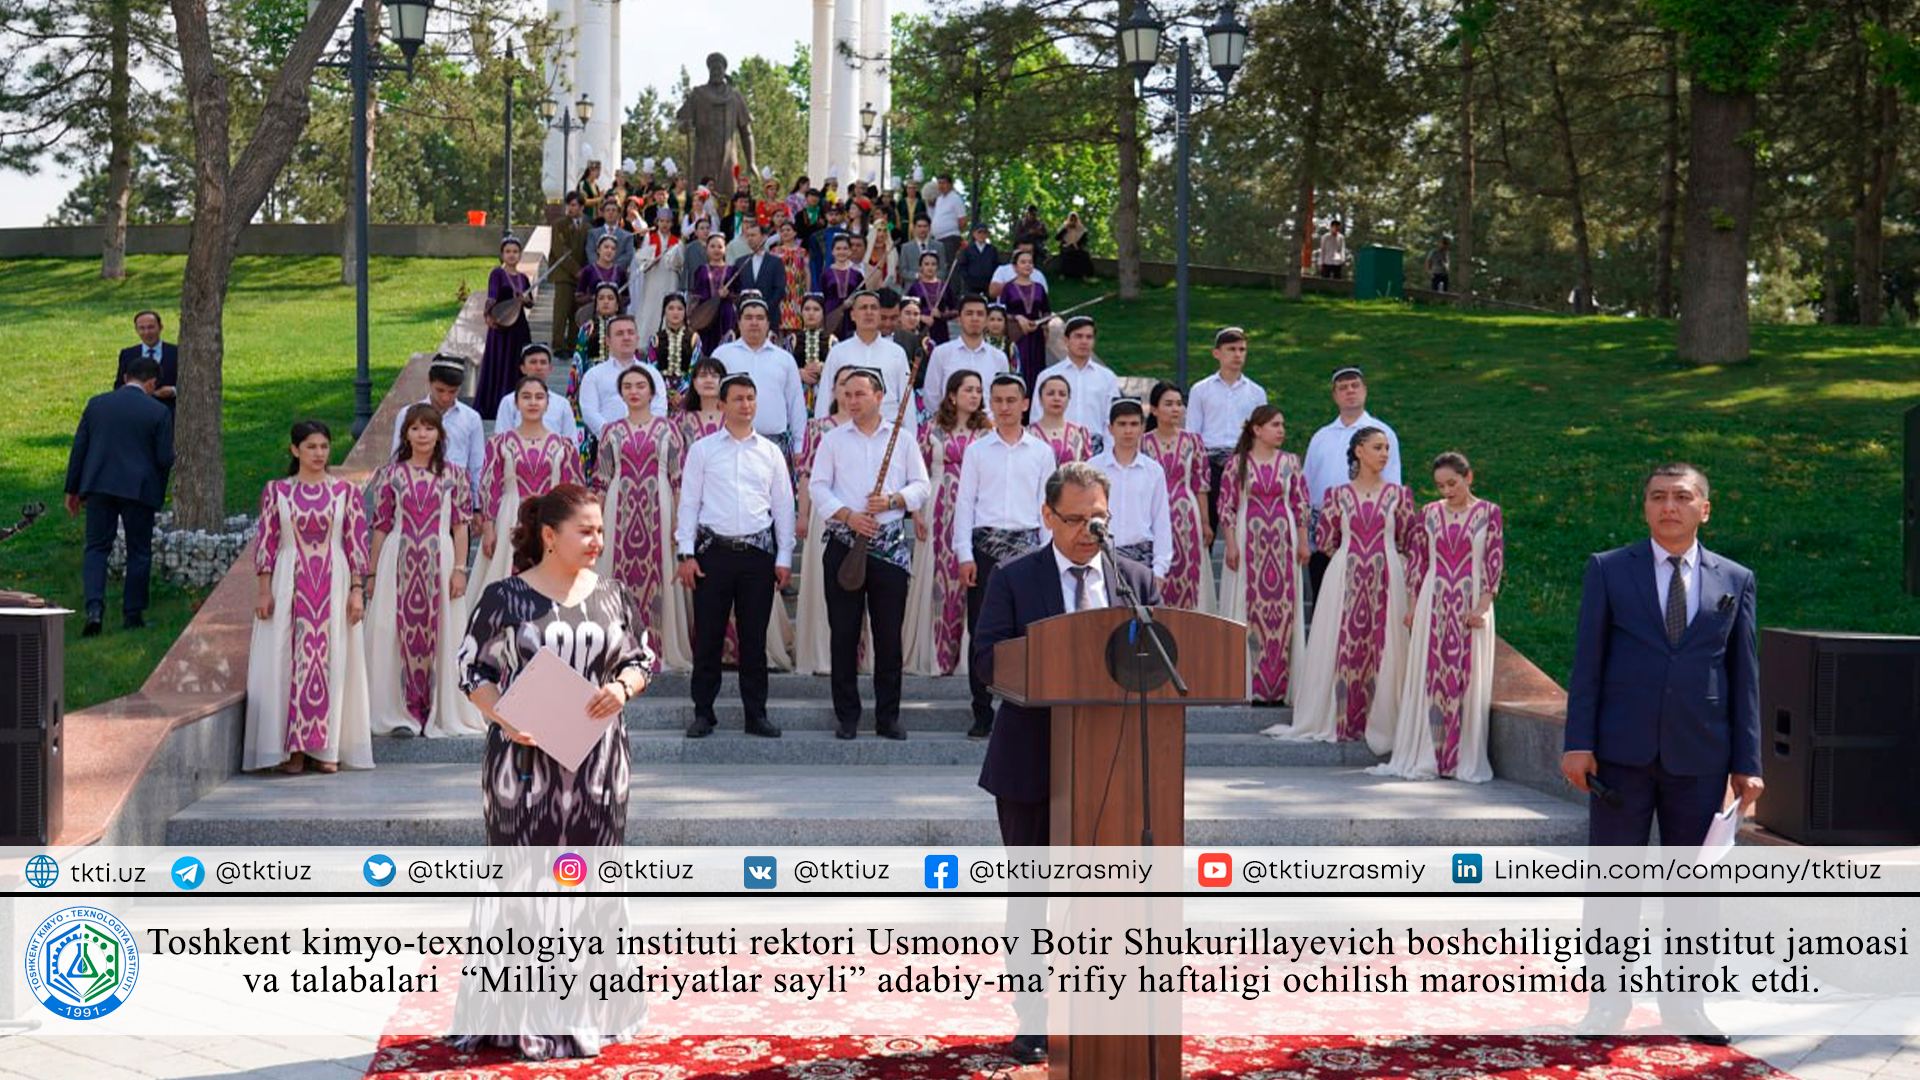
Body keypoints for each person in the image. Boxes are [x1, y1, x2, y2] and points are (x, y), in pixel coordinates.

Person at [453, 483, 654, 1061]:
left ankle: (593, 1009)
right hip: (523, 767)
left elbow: (641, 658)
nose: (597, 540)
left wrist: (621, 688)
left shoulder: (613, 594)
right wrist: (505, 717)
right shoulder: (504, 597)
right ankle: (527, 1015)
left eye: (599, 530)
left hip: (598, 766)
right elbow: (473, 670)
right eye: (585, 531)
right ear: (549, 536)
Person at [1561, 462, 1759, 1045]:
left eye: (1681, 497)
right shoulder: (1607, 570)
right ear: (1644, 507)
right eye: (1657, 497)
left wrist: (1748, 762)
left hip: (1701, 760)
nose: (1668, 506)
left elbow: (1743, 676)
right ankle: (1606, 1006)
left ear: (1705, 508)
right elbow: (1587, 661)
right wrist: (1578, 743)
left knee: (1695, 893)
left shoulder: (1735, 579)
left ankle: (1686, 1007)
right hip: (1619, 757)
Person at [971, 461, 1160, 1067]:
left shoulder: (1136, 580)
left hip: (1118, 765)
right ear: (1047, 516)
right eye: (1075, 519)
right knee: (1033, 899)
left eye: (1097, 519)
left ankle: (1108, 1010)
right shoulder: (1014, 577)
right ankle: (1034, 1018)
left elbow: (1164, 661)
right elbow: (986, 659)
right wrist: (1051, 664)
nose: (1087, 530)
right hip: (1031, 761)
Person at [243, 419, 373, 775]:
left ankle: (325, 746)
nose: (319, 453)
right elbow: (267, 541)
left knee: (331, 660)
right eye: (311, 446)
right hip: (288, 582)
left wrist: (357, 591)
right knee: (286, 660)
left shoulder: (346, 493)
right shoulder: (277, 492)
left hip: (334, 581)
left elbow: (356, 543)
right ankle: (292, 749)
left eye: (324, 447)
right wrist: (264, 590)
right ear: (295, 450)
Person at [810, 368, 931, 739]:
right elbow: (818, 486)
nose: (852, 400)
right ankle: (847, 717)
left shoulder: (903, 438)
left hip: (890, 547)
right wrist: (848, 515)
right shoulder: (833, 440)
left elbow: (922, 486)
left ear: (879, 397)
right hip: (845, 544)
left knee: (888, 636)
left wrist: (894, 500)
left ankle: (888, 717)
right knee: (844, 634)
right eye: (847, 394)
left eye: (860, 394)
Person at [1369, 452, 1504, 782]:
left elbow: (1493, 561)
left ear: (1468, 477)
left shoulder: (1489, 513)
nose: (1446, 491)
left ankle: (1461, 759)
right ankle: (1430, 754)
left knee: (1465, 678)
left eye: (1452, 484)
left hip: (1471, 603)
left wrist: (1483, 606)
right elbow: (1418, 562)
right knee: (1431, 673)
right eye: (1440, 486)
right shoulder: (1428, 514)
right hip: (1433, 600)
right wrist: (1413, 607)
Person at [675, 374, 795, 739]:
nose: (746, 405)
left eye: (751, 398)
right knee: (708, 637)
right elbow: (690, 502)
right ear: (722, 405)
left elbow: (784, 506)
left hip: (757, 555)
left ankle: (756, 714)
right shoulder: (704, 449)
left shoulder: (771, 451)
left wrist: (785, 556)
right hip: (713, 554)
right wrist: (685, 553)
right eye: (739, 399)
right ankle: (703, 713)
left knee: (753, 640)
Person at [1283, 426, 1413, 751]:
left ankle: (1382, 720)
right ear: (1359, 451)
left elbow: (1409, 540)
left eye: (1387, 448)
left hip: (1388, 576)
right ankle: (1342, 716)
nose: (1385, 453)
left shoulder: (1400, 495)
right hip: (1345, 575)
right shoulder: (1336, 495)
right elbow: (1326, 540)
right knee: (1342, 641)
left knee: (1386, 644)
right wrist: (1351, 559)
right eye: (1378, 447)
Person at [364, 404, 482, 738]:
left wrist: (460, 569)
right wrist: (371, 575)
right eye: (415, 428)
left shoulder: (454, 475)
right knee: (392, 630)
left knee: (442, 631)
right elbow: (381, 526)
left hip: (440, 558)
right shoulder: (391, 475)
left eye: (428, 428)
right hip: (397, 559)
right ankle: (398, 710)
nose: (422, 434)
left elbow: (460, 527)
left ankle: (435, 708)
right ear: (405, 434)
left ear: (439, 433)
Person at [953, 374, 1055, 739]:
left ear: (1025, 404)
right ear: (989, 404)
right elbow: (965, 503)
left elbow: (1047, 508)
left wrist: (1049, 554)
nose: (1005, 407)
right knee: (982, 631)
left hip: (1029, 549)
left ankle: (1027, 707)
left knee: (1030, 632)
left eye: (1012, 400)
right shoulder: (977, 450)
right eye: (997, 400)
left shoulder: (1042, 452)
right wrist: (964, 554)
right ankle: (981, 711)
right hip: (985, 549)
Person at [593, 366, 692, 673]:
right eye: (627, 386)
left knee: (659, 573)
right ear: (621, 393)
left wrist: (680, 521)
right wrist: (595, 523)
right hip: (618, 506)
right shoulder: (611, 430)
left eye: (640, 386)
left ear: (652, 392)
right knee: (616, 577)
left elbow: (678, 478)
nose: (634, 391)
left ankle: (659, 647)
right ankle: (616, 647)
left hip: (660, 507)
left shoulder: (669, 429)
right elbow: (601, 479)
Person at [66, 356, 173, 636]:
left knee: (96, 548)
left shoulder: (97, 404)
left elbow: (80, 448)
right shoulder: (158, 411)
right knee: (138, 550)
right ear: (152, 382)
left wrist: (72, 489)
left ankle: (94, 609)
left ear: (126, 377)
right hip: (138, 488)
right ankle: (132, 614)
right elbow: (164, 458)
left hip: (99, 485)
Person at [1215, 406, 1310, 707]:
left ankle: (1281, 688)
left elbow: (1300, 505)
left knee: (1284, 612)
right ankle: (1250, 684)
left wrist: (1303, 542)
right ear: (1257, 429)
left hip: (1283, 544)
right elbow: (1226, 506)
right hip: (1248, 542)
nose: (1281, 430)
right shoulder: (1237, 464)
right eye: (1275, 425)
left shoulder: (1291, 463)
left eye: (1282, 424)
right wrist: (1230, 543)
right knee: (1249, 608)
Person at [905, 370, 991, 676]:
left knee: (969, 577)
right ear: (952, 395)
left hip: (976, 509)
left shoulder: (987, 432)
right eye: (968, 389)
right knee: (939, 579)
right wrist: (916, 513)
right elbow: (917, 473)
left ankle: (966, 658)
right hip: (938, 505)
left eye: (978, 390)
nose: (975, 395)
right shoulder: (932, 428)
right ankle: (937, 653)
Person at [471, 377, 588, 601]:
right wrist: (488, 528)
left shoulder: (564, 446)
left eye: (539, 397)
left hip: (552, 519)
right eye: (526, 397)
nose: (532, 402)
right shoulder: (499, 444)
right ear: (515, 403)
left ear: (547, 403)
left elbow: (574, 491)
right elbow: (489, 488)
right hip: (510, 518)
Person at [1304, 366, 1402, 595]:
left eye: (1355, 385)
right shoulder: (1321, 436)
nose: (1350, 391)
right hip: (1323, 526)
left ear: (1365, 391)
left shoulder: (1382, 433)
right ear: (1335, 395)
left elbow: (1392, 484)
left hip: (1364, 526)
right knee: (1324, 597)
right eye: (1343, 387)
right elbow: (1306, 485)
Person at [1185, 327, 1269, 536]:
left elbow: (1262, 435)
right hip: (1210, 464)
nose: (1238, 354)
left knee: (1246, 527)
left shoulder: (1256, 393)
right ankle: (1204, 569)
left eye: (1242, 349)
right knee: (1206, 528)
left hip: (1244, 463)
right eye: (1231, 349)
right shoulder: (1200, 390)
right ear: (1217, 353)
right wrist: (1196, 469)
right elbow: (1192, 434)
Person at [1142, 381, 1214, 613]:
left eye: (1179, 404)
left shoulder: (1194, 441)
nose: (1175, 409)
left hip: (1186, 513)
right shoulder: (1143, 443)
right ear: (1154, 409)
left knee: (1188, 569)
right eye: (1168, 404)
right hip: (1152, 513)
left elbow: (1201, 484)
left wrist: (1204, 522)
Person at [1088, 399, 1172, 589]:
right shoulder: (1093, 467)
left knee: (1139, 617)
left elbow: (1161, 522)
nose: (1128, 431)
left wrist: (1160, 568)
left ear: (1142, 428)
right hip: (1102, 555)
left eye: (1134, 424)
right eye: (1122, 424)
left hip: (1142, 557)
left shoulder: (1153, 471)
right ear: (1110, 428)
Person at [713, 294, 807, 455]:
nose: (754, 323)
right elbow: (712, 400)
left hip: (775, 445)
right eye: (748, 317)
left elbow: (795, 404)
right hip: (730, 442)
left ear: (768, 323)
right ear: (739, 322)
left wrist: (799, 445)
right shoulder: (722, 355)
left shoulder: (784, 359)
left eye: (760, 318)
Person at [393, 355, 487, 513]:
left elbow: (477, 465)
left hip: (457, 498)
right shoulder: (407, 414)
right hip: (414, 497)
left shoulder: (471, 418)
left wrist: (477, 507)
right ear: (429, 382)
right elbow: (396, 458)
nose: (445, 397)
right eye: (440, 390)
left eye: (453, 391)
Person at [817, 290, 915, 438]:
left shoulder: (897, 353)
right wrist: (821, 435)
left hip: (888, 432)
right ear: (853, 315)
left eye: (874, 308)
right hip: (846, 432)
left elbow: (907, 400)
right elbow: (825, 396)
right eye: (863, 308)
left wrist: (910, 438)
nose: (869, 312)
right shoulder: (838, 352)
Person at [1029, 316, 1119, 450]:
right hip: (1055, 445)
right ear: (1066, 340)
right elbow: (1037, 416)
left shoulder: (1107, 377)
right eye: (1078, 336)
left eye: (1089, 337)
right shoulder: (1048, 376)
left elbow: (1112, 418)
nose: (1084, 341)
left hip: (1095, 447)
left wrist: (1108, 452)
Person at [578, 315, 670, 443]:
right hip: (606, 444)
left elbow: (659, 408)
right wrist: (611, 435)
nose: (626, 337)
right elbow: (589, 412)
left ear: (637, 338)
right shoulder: (594, 375)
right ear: (608, 341)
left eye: (630, 333)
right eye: (619, 334)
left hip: (647, 442)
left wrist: (647, 432)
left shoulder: (652, 373)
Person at [477, 236, 534, 416]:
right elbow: (492, 296)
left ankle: (518, 404)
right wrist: (488, 314)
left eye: (515, 252)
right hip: (502, 326)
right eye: (508, 252)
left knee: (517, 363)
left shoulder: (524, 278)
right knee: (500, 363)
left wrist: (525, 299)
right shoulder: (497, 274)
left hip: (519, 327)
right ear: (502, 255)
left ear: (520, 255)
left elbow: (530, 303)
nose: (511, 255)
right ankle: (496, 405)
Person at [922, 294, 1008, 406]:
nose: (975, 318)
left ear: (986, 320)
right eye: (969, 313)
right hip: (950, 421)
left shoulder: (999, 358)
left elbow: (1003, 396)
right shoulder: (941, 353)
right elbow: (931, 397)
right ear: (959, 319)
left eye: (980, 314)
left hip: (987, 422)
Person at [489, 344, 578, 442]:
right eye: (533, 362)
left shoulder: (562, 404)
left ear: (550, 369)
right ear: (522, 368)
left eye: (543, 362)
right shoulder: (509, 401)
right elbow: (501, 440)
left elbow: (571, 443)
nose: (538, 367)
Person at [631, 207, 682, 339]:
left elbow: (680, 263)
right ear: (657, 222)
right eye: (662, 221)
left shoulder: (677, 242)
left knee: (668, 306)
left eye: (668, 221)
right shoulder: (650, 238)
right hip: (653, 280)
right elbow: (642, 259)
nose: (665, 224)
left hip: (669, 279)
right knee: (650, 308)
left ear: (672, 223)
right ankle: (644, 340)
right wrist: (649, 262)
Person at [999, 250, 1050, 382]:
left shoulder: (1039, 288)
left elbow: (1046, 311)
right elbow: (1001, 312)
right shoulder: (1008, 288)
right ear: (1015, 267)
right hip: (1016, 334)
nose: (1027, 265)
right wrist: (1017, 317)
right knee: (1018, 366)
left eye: (1030, 262)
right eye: (1023, 262)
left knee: (1037, 368)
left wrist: (1044, 326)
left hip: (1036, 334)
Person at [549, 192, 592, 350]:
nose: (570, 208)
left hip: (581, 277)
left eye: (574, 205)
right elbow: (560, 250)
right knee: (561, 311)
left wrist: (585, 273)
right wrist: (576, 270)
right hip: (563, 275)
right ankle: (558, 344)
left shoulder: (588, 227)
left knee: (576, 311)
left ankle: (573, 344)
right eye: (568, 205)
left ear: (581, 207)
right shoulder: (559, 224)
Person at [688, 233, 738, 356]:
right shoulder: (701, 270)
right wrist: (691, 317)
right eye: (713, 246)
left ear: (725, 249)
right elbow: (695, 295)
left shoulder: (732, 270)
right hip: (705, 315)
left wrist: (728, 294)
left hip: (726, 314)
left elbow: (738, 295)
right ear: (707, 249)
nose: (716, 250)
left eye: (720, 247)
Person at [115, 310, 179, 405]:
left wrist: (174, 391)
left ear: (160, 327)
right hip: (137, 408)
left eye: (151, 327)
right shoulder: (128, 354)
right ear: (136, 330)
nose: (147, 332)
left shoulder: (176, 352)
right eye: (142, 328)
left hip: (169, 408)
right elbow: (119, 386)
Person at [1028, 373, 1093, 465]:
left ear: (1068, 399)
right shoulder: (1028, 433)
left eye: (1062, 394)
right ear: (1040, 399)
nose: (1056, 398)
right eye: (1051, 394)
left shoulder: (1079, 433)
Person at [647, 295, 702, 403]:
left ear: (685, 312)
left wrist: (682, 394)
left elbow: (695, 369)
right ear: (664, 311)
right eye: (671, 308)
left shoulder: (694, 339)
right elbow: (652, 369)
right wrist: (667, 393)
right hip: (660, 394)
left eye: (680, 309)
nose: (675, 312)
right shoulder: (655, 339)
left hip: (688, 395)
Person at [787, 293, 832, 413]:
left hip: (824, 396)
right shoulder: (792, 340)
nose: (811, 313)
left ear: (823, 314)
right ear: (801, 312)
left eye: (816, 309)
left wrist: (823, 369)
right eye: (807, 309)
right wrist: (798, 373)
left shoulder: (832, 341)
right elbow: (782, 368)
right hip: (797, 395)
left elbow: (840, 370)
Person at [905, 250, 957, 348]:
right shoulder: (915, 287)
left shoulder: (944, 286)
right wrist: (921, 317)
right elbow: (906, 311)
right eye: (926, 264)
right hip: (921, 330)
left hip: (941, 331)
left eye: (933, 264)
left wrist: (941, 315)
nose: (930, 267)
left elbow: (954, 311)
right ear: (920, 267)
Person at [731, 219, 785, 312]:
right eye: (747, 236)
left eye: (753, 235)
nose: (750, 239)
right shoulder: (740, 262)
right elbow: (736, 289)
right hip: (745, 315)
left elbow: (779, 289)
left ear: (764, 237)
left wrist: (765, 308)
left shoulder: (776, 262)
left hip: (769, 314)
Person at [817, 234, 862, 339]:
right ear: (832, 252)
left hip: (852, 315)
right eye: (838, 249)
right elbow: (822, 297)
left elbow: (862, 297)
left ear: (850, 251)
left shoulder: (857, 274)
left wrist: (853, 302)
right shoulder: (826, 274)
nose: (842, 252)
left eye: (845, 249)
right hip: (831, 313)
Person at [774, 219, 811, 336]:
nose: (785, 233)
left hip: (797, 291)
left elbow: (806, 272)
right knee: (780, 323)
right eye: (782, 230)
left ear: (795, 233)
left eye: (788, 230)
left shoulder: (802, 252)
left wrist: (808, 292)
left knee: (796, 323)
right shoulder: (775, 251)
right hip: (781, 291)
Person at [586, 198, 635, 278]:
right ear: (603, 213)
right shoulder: (593, 234)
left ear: (619, 214)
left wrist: (612, 269)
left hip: (619, 277)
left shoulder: (627, 236)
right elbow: (590, 252)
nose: (610, 213)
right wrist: (600, 267)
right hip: (597, 276)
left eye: (614, 210)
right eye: (608, 210)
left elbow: (628, 255)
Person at [929, 173, 968, 263]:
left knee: (947, 263)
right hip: (937, 238)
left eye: (944, 183)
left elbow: (963, 221)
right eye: (939, 183)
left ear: (950, 184)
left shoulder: (955, 198)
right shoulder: (939, 199)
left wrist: (953, 231)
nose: (941, 186)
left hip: (950, 239)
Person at [957, 222, 1001, 298]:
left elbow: (996, 265)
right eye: (979, 232)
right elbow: (962, 266)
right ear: (974, 234)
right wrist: (967, 279)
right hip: (971, 285)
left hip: (988, 284)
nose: (981, 235)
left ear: (987, 235)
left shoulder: (992, 249)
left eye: (984, 233)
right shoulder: (968, 249)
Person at [1055, 211, 1094, 281]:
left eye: (1074, 219)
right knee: (1066, 253)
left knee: (1084, 254)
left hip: (1077, 246)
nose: (1073, 221)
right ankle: (1063, 274)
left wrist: (1078, 245)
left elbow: (1084, 240)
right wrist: (1065, 229)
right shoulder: (1065, 227)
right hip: (1066, 246)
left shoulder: (1081, 228)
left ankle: (1084, 275)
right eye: (1071, 219)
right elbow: (1057, 238)